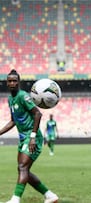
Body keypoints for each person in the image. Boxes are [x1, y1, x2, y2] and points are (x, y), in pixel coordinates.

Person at [0, 70, 59, 203]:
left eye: (14, 80)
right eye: (9, 81)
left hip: (32, 137)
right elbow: (13, 121)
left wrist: (32, 136)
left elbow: (37, 114)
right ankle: (50, 195)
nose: (12, 83)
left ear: (18, 82)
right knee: (23, 169)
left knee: (22, 167)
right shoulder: (10, 99)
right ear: (6, 83)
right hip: (23, 138)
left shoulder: (23, 96)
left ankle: (15, 199)